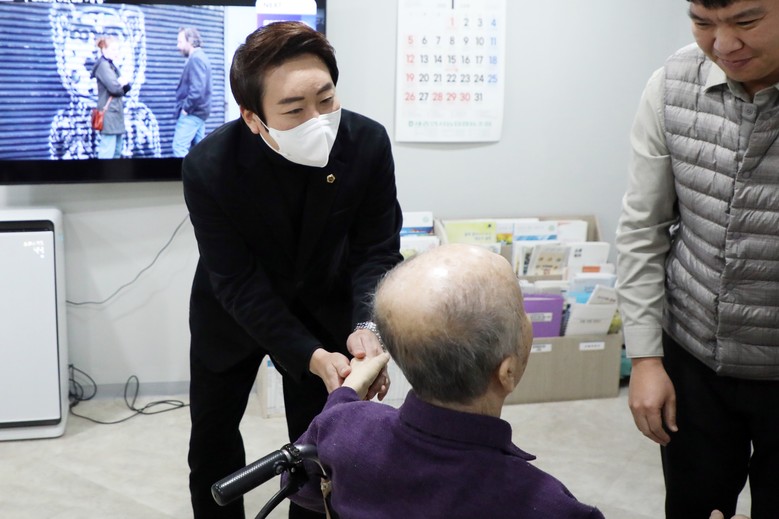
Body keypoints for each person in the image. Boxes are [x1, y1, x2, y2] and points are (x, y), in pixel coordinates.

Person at [182, 21, 403, 519]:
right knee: (212, 441)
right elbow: (237, 282)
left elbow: (376, 251)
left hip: (323, 305)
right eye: (294, 109)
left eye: (326, 99)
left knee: (321, 449)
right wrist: (308, 355)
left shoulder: (367, 143)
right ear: (252, 117)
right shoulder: (209, 167)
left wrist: (367, 326)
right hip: (232, 313)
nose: (317, 120)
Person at [286, 244, 605, 519]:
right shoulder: (547, 504)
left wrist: (345, 395)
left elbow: (297, 482)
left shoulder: (346, 429)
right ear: (506, 373)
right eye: (521, 310)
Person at [615, 1, 779, 518]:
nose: (723, 45)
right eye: (703, 23)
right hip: (694, 357)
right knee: (694, 505)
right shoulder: (672, 85)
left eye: (747, 22)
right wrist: (645, 359)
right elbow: (642, 230)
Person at [173, 27, 212, 157]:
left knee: (179, 147)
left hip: (192, 113)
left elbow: (197, 89)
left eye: (180, 42)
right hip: (199, 112)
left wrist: (186, 109)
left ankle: (183, 171)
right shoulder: (201, 57)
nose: (178, 46)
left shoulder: (196, 59)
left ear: (190, 41)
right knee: (199, 152)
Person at [91, 35, 130, 159]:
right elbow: (115, 88)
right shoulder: (103, 66)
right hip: (109, 114)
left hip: (115, 113)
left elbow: (125, 87)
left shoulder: (111, 65)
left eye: (117, 49)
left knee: (116, 151)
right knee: (107, 152)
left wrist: (122, 85)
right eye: (113, 49)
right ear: (104, 50)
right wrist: (122, 84)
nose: (116, 52)